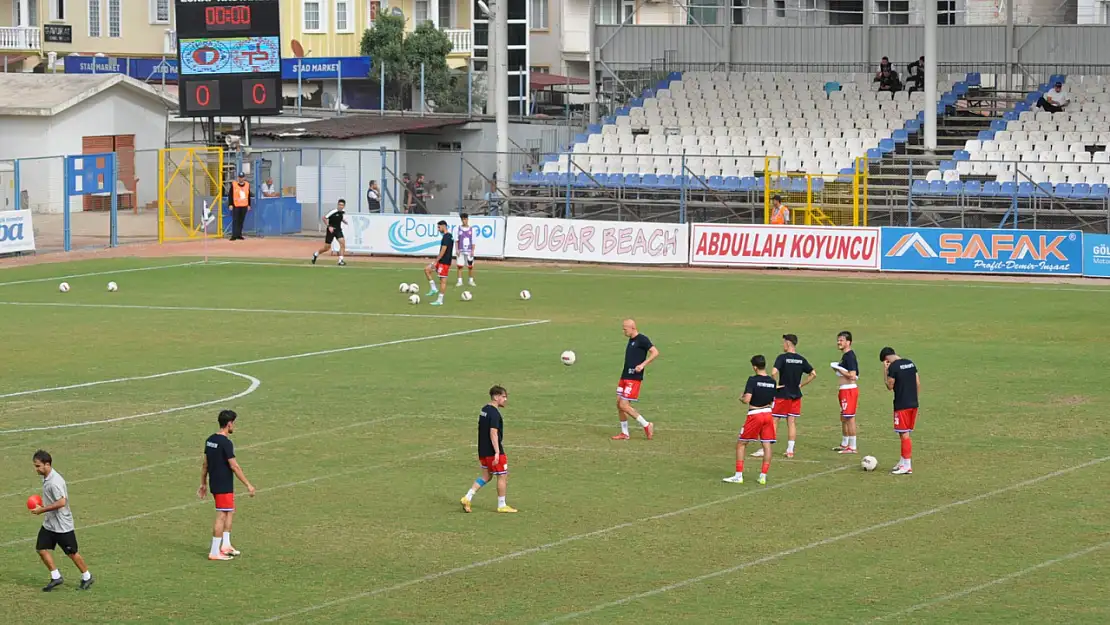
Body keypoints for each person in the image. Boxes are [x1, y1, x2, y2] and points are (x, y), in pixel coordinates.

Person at [31, 450, 93, 591]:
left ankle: (87, 576)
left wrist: (42, 510)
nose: (36, 469)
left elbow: (61, 502)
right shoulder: (47, 477)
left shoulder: (54, 482)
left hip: (62, 526)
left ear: (47, 464)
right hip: (50, 524)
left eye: (38, 466)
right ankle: (56, 576)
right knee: (41, 548)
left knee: (71, 553)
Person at [198, 410, 256, 561]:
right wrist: (248, 485)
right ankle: (214, 551)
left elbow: (205, 464)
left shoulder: (210, 439)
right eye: (234, 423)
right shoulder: (226, 443)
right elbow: (234, 466)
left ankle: (226, 545)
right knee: (221, 516)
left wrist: (203, 483)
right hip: (223, 485)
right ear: (229, 423)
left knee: (229, 511)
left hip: (216, 483)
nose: (234, 426)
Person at [460, 385, 517, 513]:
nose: (505, 399)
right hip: (492, 451)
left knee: (486, 476)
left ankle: (467, 497)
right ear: (496, 397)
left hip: (482, 450)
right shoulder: (495, 414)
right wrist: (497, 452)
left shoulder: (484, 409)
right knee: (502, 475)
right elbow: (493, 433)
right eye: (503, 396)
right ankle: (502, 505)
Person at [723, 355, 776, 485]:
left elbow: (747, 399)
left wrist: (741, 398)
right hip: (768, 414)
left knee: (741, 444)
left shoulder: (752, 380)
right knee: (767, 444)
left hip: (755, 414)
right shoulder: (772, 381)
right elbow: (772, 400)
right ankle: (763, 476)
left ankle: (738, 475)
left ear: (754, 367)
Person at [766, 333, 816, 459]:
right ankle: (790, 450)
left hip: (783, 394)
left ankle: (766, 448)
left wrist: (774, 384)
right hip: (796, 395)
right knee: (791, 422)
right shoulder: (801, 359)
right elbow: (813, 374)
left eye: (784, 342)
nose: (783, 345)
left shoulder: (782, 358)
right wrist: (801, 385)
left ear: (788, 343)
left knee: (774, 420)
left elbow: (773, 372)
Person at [612, 319, 657, 441]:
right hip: (624, 376)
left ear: (632, 327)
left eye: (625, 329)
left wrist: (642, 365)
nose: (623, 331)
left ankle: (646, 424)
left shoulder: (642, 339)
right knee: (619, 405)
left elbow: (655, 352)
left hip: (633, 378)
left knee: (624, 405)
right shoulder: (631, 340)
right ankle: (625, 433)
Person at [881, 347, 920, 475]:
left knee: (904, 434)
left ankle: (907, 465)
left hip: (902, 404)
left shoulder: (893, 367)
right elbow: (917, 383)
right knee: (903, 432)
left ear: (886, 359)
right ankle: (903, 461)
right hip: (913, 403)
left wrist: (885, 371)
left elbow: (889, 386)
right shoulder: (910, 363)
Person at [830, 331, 860, 454]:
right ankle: (845, 443)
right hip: (844, 390)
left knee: (849, 418)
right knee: (844, 417)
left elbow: (852, 375)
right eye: (838, 340)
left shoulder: (850, 356)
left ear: (848, 342)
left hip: (849, 390)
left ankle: (852, 446)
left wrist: (838, 369)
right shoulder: (845, 356)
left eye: (841, 340)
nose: (839, 342)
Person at [423, 220, 453, 306]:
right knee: (427, 269)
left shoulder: (447, 237)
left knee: (443, 281)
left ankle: (440, 300)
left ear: (444, 226)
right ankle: (433, 289)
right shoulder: (449, 236)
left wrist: (436, 261)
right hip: (441, 261)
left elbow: (443, 250)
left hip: (444, 262)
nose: (438, 229)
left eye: (439, 227)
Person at [311, 199, 348, 266]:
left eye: (342, 205)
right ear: (337, 205)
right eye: (339, 204)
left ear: (344, 206)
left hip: (338, 230)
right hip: (330, 230)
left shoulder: (343, 212)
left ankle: (340, 260)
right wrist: (329, 226)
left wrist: (343, 220)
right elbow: (324, 218)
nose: (340, 206)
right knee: (327, 248)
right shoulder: (333, 211)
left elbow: (339, 217)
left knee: (342, 243)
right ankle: (316, 254)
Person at [227, 172, 252, 241]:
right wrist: (230, 204)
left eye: (242, 177)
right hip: (236, 205)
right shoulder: (234, 184)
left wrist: (249, 205)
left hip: (244, 206)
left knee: (241, 221)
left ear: (244, 178)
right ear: (238, 178)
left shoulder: (247, 185)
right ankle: (234, 235)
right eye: (240, 177)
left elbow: (248, 195)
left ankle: (239, 235)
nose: (241, 178)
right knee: (235, 221)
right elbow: (230, 195)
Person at [455, 213, 477, 287]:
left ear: (467, 219)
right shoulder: (458, 229)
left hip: (469, 250)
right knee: (459, 266)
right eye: (463, 219)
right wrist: (457, 249)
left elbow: (473, 241)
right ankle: (459, 281)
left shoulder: (472, 229)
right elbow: (456, 240)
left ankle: (471, 280)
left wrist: (473, 250)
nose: (464, 221)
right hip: (461, 250)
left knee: (470, 266)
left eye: (465, 219)